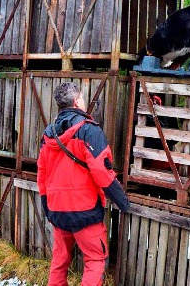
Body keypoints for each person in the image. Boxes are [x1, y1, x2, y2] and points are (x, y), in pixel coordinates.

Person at [37, 82, 129, 286]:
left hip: (57, 210)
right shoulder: (89, 130)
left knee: (59, 261)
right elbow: (102, 171)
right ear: (77, 101)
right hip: (85, 209)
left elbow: (41, 175)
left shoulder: (48, 133)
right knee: (95, 260)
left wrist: (47, 208)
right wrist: (123, 202)